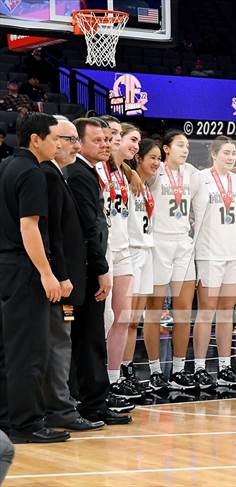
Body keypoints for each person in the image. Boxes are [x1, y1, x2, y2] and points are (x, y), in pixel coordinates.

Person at [0, 112, 69, 444]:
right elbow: (29, 227)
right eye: (54, 139)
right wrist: (47, 273)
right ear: (36, 140)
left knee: (7, 349)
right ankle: (27, 424)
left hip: (5, 267)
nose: (58, 145)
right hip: (25, 268)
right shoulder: (32, 173)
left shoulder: (5, 166)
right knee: (29, 350)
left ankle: (7, 419)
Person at [65, 118, 132, 424]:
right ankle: (92, 403)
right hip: (89, 266)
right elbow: (89, 227)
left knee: (90, 333)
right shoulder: (80, 174)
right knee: (90, 335)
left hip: (91, 262)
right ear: (79, 143)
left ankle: (90, 398)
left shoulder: (88, 171)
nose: (106, 144)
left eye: (107, 139)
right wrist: (102, 266)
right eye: (98, 140)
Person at [41, 116, 105, 432]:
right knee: (59, 343)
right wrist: (60, 274)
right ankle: (59, 408)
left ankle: (62, 405)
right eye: (69, 139)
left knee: (63, 342)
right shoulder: (51, 175)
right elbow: (53, 234)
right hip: (60, 276)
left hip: (67, 273)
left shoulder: (61, 173)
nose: (74, 146)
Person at [145, 131, 198, 390]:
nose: (185, 150)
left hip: (183, 244)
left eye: (187, 146)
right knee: (154, 311)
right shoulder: (155, 172)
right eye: (179, 145)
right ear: (166, 148)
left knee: (183, 312)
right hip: (159, 243)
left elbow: (219, 174)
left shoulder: (192, 173)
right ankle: (155, 371)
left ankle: (178, 370)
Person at [190, 136, 236, 389]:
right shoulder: (199, 178)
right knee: (206, 312)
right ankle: (199, 368)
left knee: (226, 312)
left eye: (233, 153)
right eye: (226, 153)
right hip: (209, 253)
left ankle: (224, 367)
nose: (231, 157)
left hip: (234, 252)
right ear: (213, 153)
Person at [99, 120, 141, 400]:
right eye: (112, 134)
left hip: (123, 247)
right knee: (105, 318)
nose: (134, 145)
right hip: (103, 249)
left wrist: (130, 171)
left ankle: (113, 378)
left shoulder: (123, 172)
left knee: (123, 317)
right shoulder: (96, 168)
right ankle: (95, 381)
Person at [121, 139, 161, 393]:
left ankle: (127, 367)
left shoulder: (147, 186)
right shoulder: (127, 180)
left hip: (146, 251)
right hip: (131, 251)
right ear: (138, 159)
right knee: (124, 319)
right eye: (152, 158)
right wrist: (130, 171)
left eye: (159, 158)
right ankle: (117, 371)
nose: (156, 163)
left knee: (134, 320)